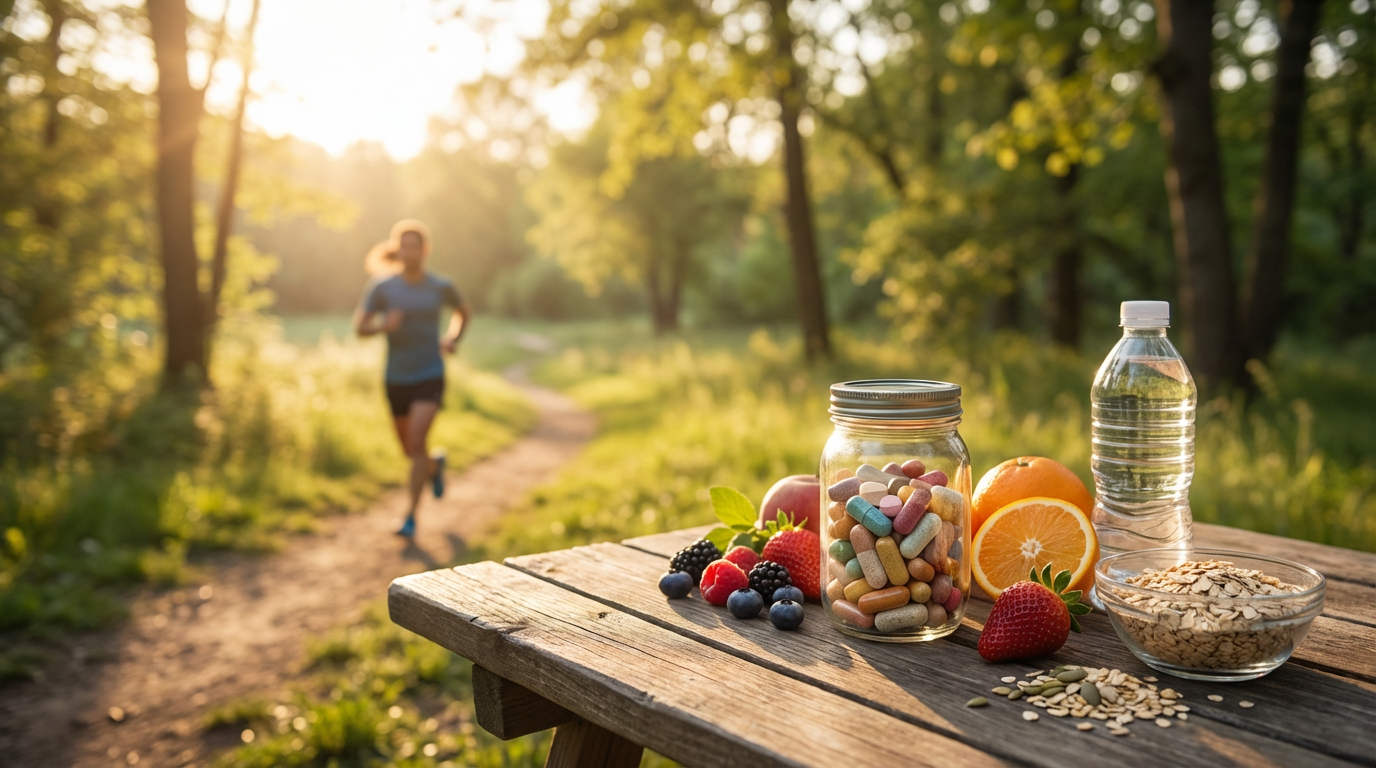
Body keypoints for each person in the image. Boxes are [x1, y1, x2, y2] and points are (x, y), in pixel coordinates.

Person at [354, 219, 471, 538]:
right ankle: (434, 466)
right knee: (411, 451)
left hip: (430, 373)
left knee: (417, 442)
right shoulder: (383, 287)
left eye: (414, 246)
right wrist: (383, 326)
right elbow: (360, 328)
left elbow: (463, 312)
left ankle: (410, 517)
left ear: (425, 250)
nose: (409, 252)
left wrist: (452, 339)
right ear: (398, 249)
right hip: (396, 377)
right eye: (403, 246)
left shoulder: (440, 286)